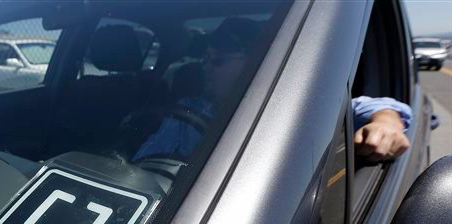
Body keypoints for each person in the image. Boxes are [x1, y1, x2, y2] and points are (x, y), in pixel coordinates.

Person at [133, 18, 412, 163]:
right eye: (205, 59)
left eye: (218, 60)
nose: (206, 67)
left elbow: (372, 107)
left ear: (252, 65)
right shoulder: (189, 108)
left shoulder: (295, 110)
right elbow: (149, 161)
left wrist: (386, 124)